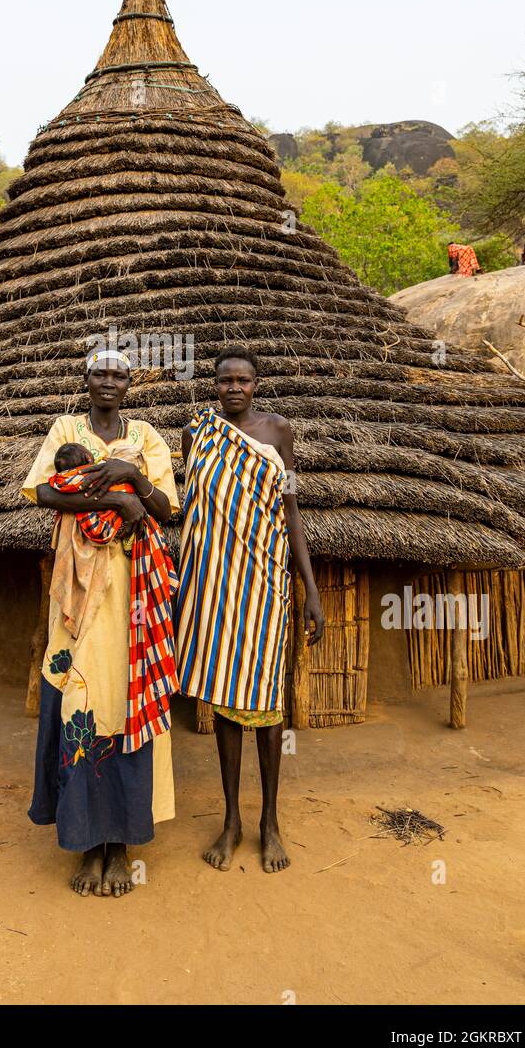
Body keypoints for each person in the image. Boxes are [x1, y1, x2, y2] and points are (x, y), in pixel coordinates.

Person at [22, 348, 180, 897]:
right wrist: (113, 493)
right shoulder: (64, 427)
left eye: (118, 374)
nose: (108, 381)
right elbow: (43, 490)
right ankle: (87, 845)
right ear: (85, 380)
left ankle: (120, 847)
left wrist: (131, 476)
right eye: (99, 373)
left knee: (124, 697)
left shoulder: (147, 437)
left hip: (134, 595)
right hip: (76, 598)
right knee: (78, 701)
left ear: (130, 383)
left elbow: (164, 508)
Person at [176, 344, 325, 874]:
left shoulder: (278, 432)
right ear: (215, 386)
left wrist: (310, 589)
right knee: (222, 704)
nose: (234, 388)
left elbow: (290, 509)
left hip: (263, 585)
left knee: (266, 706)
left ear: (256, 385)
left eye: (243, 380)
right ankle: (232, 821)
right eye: (225, 381)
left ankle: (271, 823)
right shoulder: (199, 434)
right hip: (218, 587)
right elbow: (193, 513)